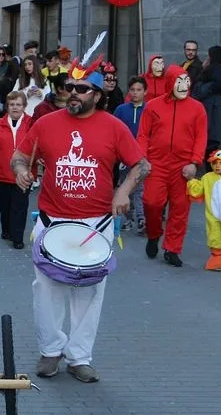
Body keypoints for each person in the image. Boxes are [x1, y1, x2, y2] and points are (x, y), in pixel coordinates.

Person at [11, 57, 148, 384]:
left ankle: (79, 357)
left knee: (89, 294)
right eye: (69, 87)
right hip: (52, 221)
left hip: (95, 225)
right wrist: (20, 171)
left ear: (97, 95)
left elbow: (141, 165)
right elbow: (19, 156)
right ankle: (50, 351)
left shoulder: (114, 127)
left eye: (82, 89)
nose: (72, 92)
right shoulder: (46, 124)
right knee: (47, 290)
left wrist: (123, 191)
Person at [138, 65, 207, 268]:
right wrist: (143, 158)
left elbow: (201, 137)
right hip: (156, 163)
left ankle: (172, 249)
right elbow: (143, 134)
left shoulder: (197, 108)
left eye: (187, 81)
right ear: (170, 83)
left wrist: (194, 162)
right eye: (179, 81)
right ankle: (153, 234)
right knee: (151, 203)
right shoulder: (153, 106)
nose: (184, 85)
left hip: (183, 166)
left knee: (180, 209)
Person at [0, 91, 34, 249]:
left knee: (20, 207)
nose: (15, 108)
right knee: (4, 206)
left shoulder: (32, 125)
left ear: (24, 106)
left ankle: (17, 237)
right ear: (7, 106)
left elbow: (38, 147)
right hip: (2, 174)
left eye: (18, 104)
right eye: (12, 104)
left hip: (23, 175)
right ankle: (6, 229)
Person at [113, 77, 148, 232]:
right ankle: (128, 218)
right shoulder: (121, 110)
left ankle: (141, 218)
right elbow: (114, 132)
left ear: (145, 92)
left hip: (143, 155)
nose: (135, 93)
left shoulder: (149, 109)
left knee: (140, 188)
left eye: (139, 90)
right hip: (124, 156)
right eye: (132, 90)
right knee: (126, 187)